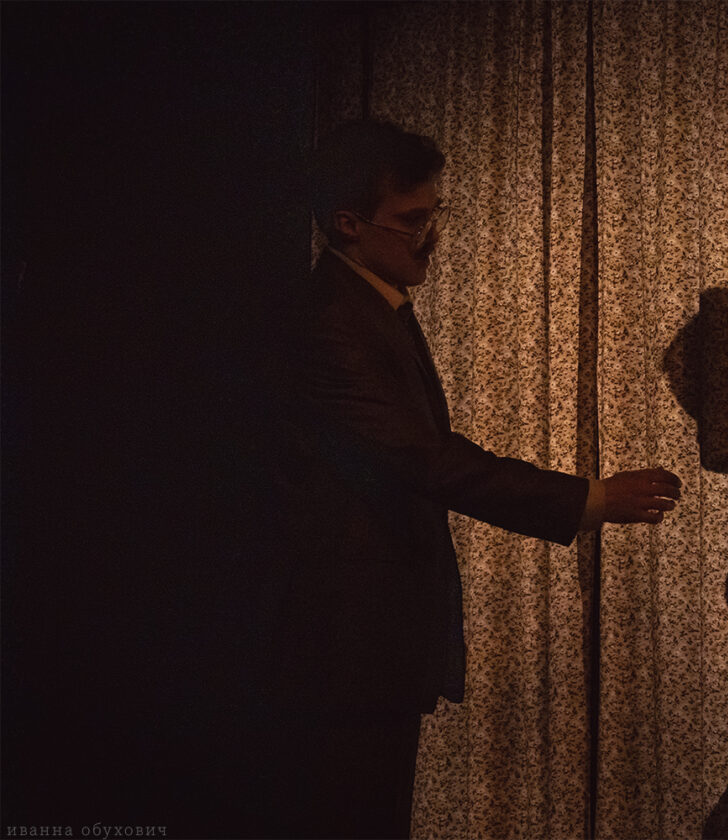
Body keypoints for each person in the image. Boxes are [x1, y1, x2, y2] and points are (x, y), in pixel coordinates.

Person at [263, 119, 682, 838]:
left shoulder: (369, 305)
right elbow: (427, 459)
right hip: (346, 652)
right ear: (348, 224)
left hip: (368, 648)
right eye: (411, 221)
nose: (430, 237)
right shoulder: (333, 320)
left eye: (434, 215)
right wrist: (590, 498)